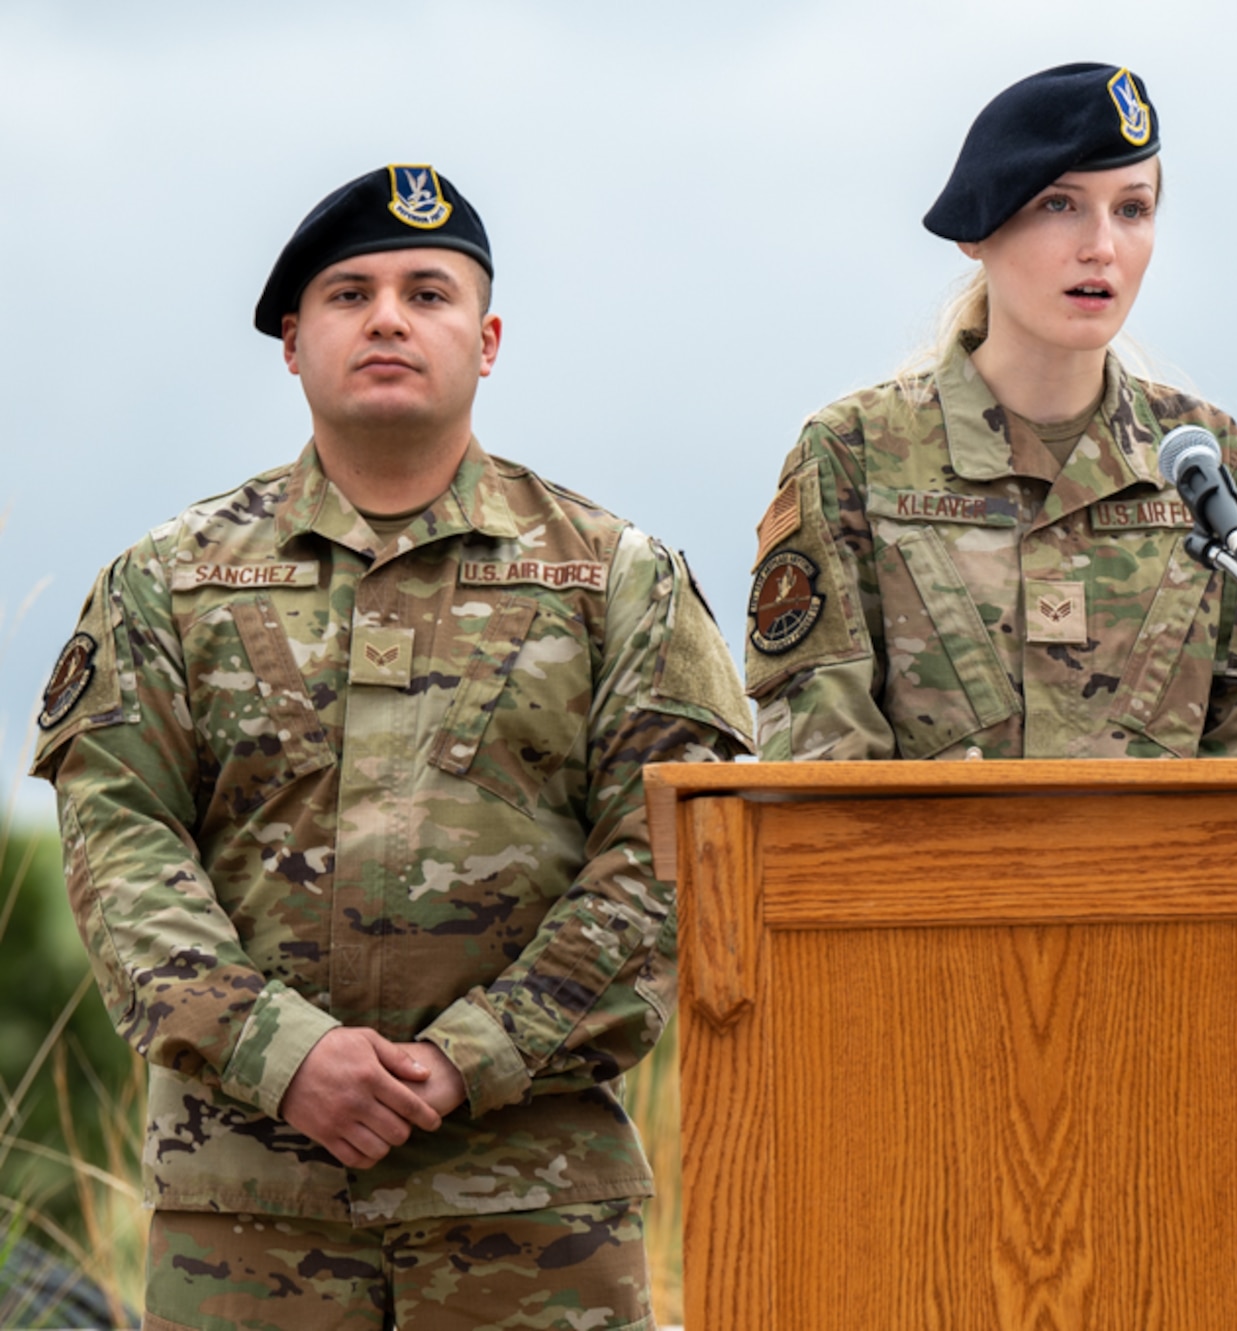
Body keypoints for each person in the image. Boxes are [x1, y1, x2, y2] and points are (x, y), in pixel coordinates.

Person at [31, 164, 752, 1330]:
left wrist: (481, 1051)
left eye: (428, 291)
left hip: (533, 1213)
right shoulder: (166, 581)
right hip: (246, 1214)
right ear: (291, 341)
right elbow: (120, 854)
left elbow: (671, 858)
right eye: (348, 293)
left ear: (488, 336)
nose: (387, 318)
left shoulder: (619, 579)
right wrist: (279, 1052)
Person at [745, 63, 1237, 760]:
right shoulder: (854, 456)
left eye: (1132, 209)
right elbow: (821, 769)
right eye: (1059, 205)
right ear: (978, 228)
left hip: (1169, 872)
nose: (1102, 247)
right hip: (927, 871)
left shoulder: (1208, 464)